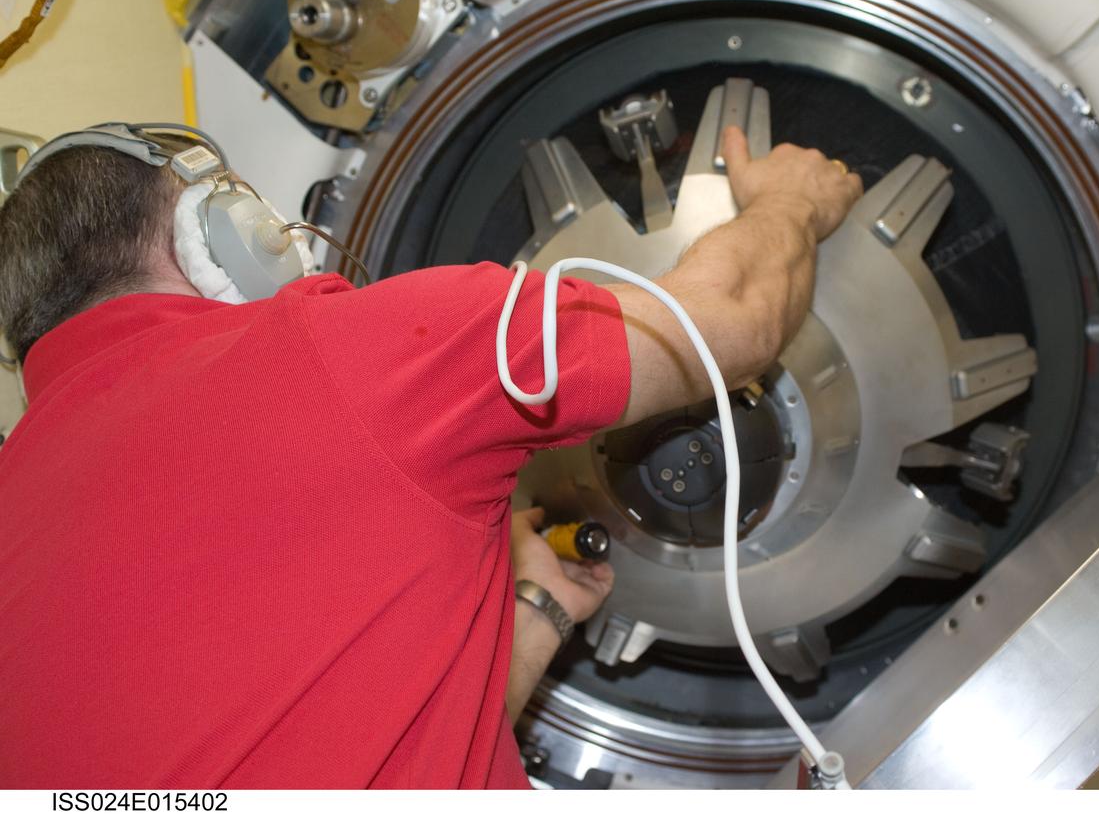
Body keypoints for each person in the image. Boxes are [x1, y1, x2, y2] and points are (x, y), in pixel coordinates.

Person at [0, 124, 861, 788]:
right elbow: (732, 326)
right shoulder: (342, 350)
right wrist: (789, 206)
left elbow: (355, 746)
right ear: (215, 232)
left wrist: (534, 617)